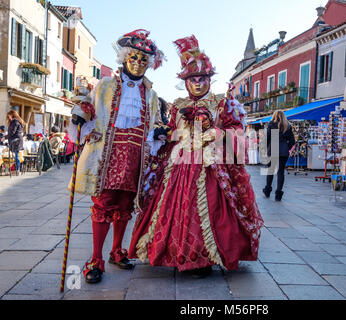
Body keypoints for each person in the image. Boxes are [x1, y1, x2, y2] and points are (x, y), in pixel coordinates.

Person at [129, 35, 263, 278]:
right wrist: (165, 133)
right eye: (193, 79)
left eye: (203, 78)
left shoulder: (223, 103)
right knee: (174, 208)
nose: (198, 83)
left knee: (211, 208)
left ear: (210, 80)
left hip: (211, 166)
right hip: (179, 166)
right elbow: (172, 131)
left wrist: (217, 132)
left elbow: (239, 132)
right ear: (186, 82)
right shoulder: (178, 105)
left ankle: (203, 258)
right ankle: (173, 252)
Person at [70, 29, 165, 284]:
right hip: (107, 153)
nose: (138, 63)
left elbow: (155, 123)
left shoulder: (152, 95)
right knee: (103, 205)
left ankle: (116, 252)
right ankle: (95, 260)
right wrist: (81, 114)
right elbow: (90, 108)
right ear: (124, 57)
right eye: (134, 57)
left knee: (125, 206)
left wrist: (158, 131)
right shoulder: (106, 84)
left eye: (144, 59)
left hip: (136, 155)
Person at [262, 110, 295, 201]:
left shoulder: (271, 124)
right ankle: (278, 194)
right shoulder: (287, 126)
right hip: (283, 152)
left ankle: (267, 190)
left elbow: (267, 138)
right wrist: (286, 147)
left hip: (273, 150)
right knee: (281, 172)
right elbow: (292, 141)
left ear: (274, 116)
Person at [2, 110, 25, 174]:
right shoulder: (17, 121)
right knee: (16, 154)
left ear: (12, 115)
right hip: (17, 139)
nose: (8, 117)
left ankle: (17, 170)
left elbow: (12, 132)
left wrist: (5, 137)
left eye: (9, 115)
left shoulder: (15, 122)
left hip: (16, 140)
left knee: (16, 154)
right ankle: (17, 169)